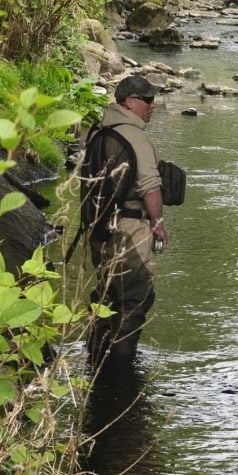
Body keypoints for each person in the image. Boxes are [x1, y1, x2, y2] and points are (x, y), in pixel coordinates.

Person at [86, 75, 168, 367]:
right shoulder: (135, 135)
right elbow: (150, 186)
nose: (153, 105)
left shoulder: (98, 131)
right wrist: (157, 223)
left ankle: (95, 360)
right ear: (129, 102)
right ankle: (122, 370)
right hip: (130, 228)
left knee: (107, 296)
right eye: (147, 100)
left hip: (99, 229)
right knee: (135, 299)